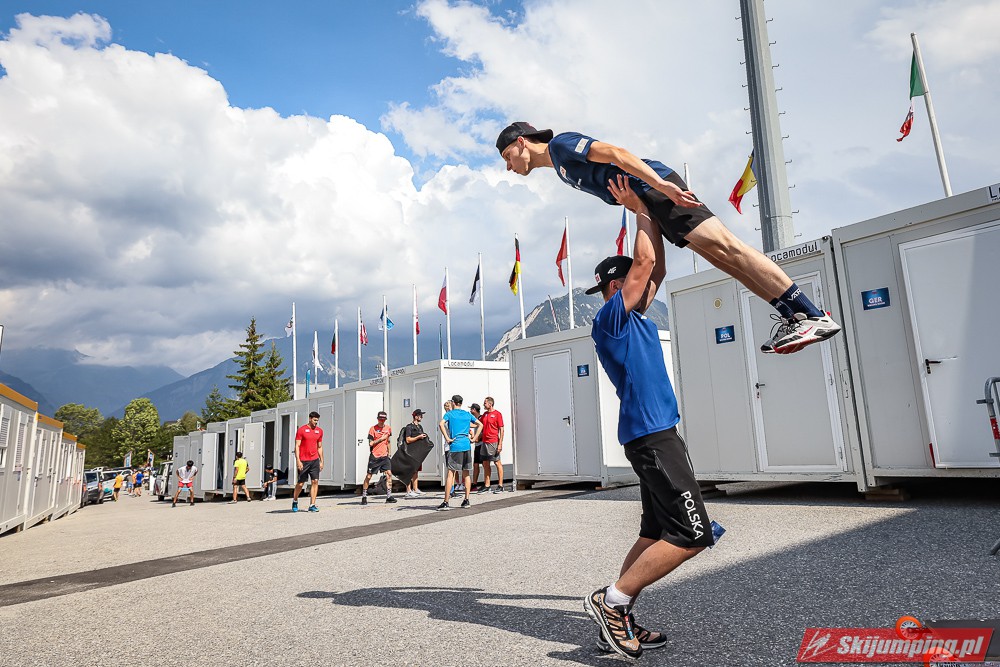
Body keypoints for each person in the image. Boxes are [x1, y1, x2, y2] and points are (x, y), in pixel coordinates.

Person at [496, 122, 842, 354]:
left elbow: (617, 154)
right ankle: (795, 317)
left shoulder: (561, 145)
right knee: (725, 261)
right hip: (647, 200)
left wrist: (661, 185)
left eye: (507, 157)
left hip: (655, 187)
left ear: (521, 142)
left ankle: (811, 314)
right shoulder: (561, 170)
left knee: (729, 247)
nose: (509, 166)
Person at [577, 174, 718, 660]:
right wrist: (638, 207)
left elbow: (653, 267)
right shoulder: (611, 319)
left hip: (655, 436)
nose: (647, 287)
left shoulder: (634, 317)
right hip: (652, 438)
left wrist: (654, 213)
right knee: (692, 535)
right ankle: (611, 602)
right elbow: (644, 264)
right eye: (632, 284)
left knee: (654, 533)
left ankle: (617, 618)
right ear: (618, 287)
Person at [437, 395, 481, 511]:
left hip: (455, 446)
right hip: (466, 445)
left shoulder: (450, 414)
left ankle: (446, 502)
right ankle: (466, 500)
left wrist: (447, 438)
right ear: (461, 403)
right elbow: (480, 424)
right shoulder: (467, 414)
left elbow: (441, 424)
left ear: (453, 402)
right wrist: (474, 438)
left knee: (450, 474)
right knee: (466, 473)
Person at [362, 411, 396, 505]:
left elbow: (388, 441)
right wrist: (381, 439)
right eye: (380, 419)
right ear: (378, 419)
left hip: (384, 456)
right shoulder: (372, 429)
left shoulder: (388, 428)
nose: (382, 421)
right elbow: (371, 443)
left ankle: (389, 496)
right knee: (369, 476)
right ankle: (364, 496)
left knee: (389, 474)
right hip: (375, 456)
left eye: (384, 419)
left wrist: (389, 453)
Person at [293, 411, 324, 513]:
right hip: (304, 460)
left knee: (315, 481)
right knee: (301, 484)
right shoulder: (301, 430)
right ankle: (295, 500)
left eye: (317, 420)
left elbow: (319, 447)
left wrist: (321, 461)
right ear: (310, 419)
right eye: (314, 420)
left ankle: (312, 505)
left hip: (314, 460)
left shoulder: (319, 431)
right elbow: (297, 446)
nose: (316, 422)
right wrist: (298, 460)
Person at [399, 409, 431, 498]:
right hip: (410, 452)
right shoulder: (409, 427)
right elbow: (408, 440)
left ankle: (415, 489)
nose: (422, 417)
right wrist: (418, 437)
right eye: (420, 415)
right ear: (416, 416)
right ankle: (408, 490)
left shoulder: (420, 427)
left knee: (416, 471)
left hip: (418, 452)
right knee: (409, 471)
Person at [477, 396, 505, 494]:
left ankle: (500, 485)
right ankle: (487, 485)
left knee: (497, 462)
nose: (483, 405)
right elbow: (478, 424)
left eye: (485, 403)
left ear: (490, 404)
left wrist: (500, 444)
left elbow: (501, 429)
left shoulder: (497, 414)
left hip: (494, 442)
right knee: (485, 463)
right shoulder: (484, 415)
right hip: (485, 442)